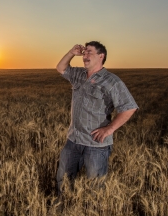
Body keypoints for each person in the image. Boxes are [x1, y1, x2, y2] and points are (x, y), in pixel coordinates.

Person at [55, 41, 138, 195]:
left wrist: (110, 128)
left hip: (96, 145)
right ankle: (61, 208)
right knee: (63, 181)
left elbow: (129, 107)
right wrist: (71, 53)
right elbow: (60, 68)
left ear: (101, 56)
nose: (85, 55)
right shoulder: (79, 75)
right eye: (84, 52)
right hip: (73, 140)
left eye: (89, 52)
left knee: (95, 188)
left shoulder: (112, 81)